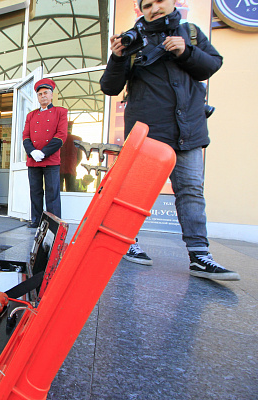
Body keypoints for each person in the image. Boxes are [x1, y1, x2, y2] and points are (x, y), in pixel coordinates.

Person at [100, 0, 239, 280]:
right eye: (147, 5)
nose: (154, 8)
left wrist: (186, 51)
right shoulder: (132, 41)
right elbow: (110, 87)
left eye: (159, 1)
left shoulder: (191, 32)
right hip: (148, 133)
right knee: (134, 192)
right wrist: (117, 58)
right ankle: (127, 243)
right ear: (141, 10)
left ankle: (199, 256)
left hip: (188, 131)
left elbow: (211, 65)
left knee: (191, 191)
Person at [22, 78, 68, 228]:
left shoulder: (60, 112)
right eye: (40, 94)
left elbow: (61, 136)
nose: (43, 96)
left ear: (52, 94)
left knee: (52, 193)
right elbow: (25, 136)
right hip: (33, 160)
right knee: (35, 192)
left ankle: (54, 223)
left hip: (51, 159)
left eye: (46, 93)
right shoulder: (31, 115)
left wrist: (43, 152)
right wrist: (32, 152)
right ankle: (36, 220)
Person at [60, 121, 83, 192]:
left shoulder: (59, 139)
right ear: (71, 128)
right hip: (71, 169)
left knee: (58, 191)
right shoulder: (78, 139)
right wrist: (74, 165)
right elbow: (80, 157)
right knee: (70, 191)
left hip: (59, 168)